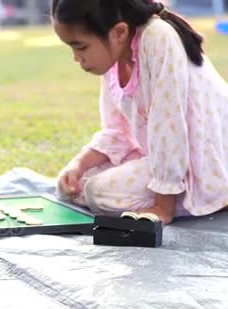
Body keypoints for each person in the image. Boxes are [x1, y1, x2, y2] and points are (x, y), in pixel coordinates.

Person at [52, 0, 228, 225]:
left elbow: (169, 127)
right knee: (73, 183)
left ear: (119, 32)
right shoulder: (114, 55)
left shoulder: (158, 38)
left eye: (81, 47)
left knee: (98, 192)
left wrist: (163, 207)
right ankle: (180, 191)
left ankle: (217, 193)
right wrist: (79, 163)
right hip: (161, 158)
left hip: (207, 158)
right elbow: (117, 132)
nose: (76, 58)